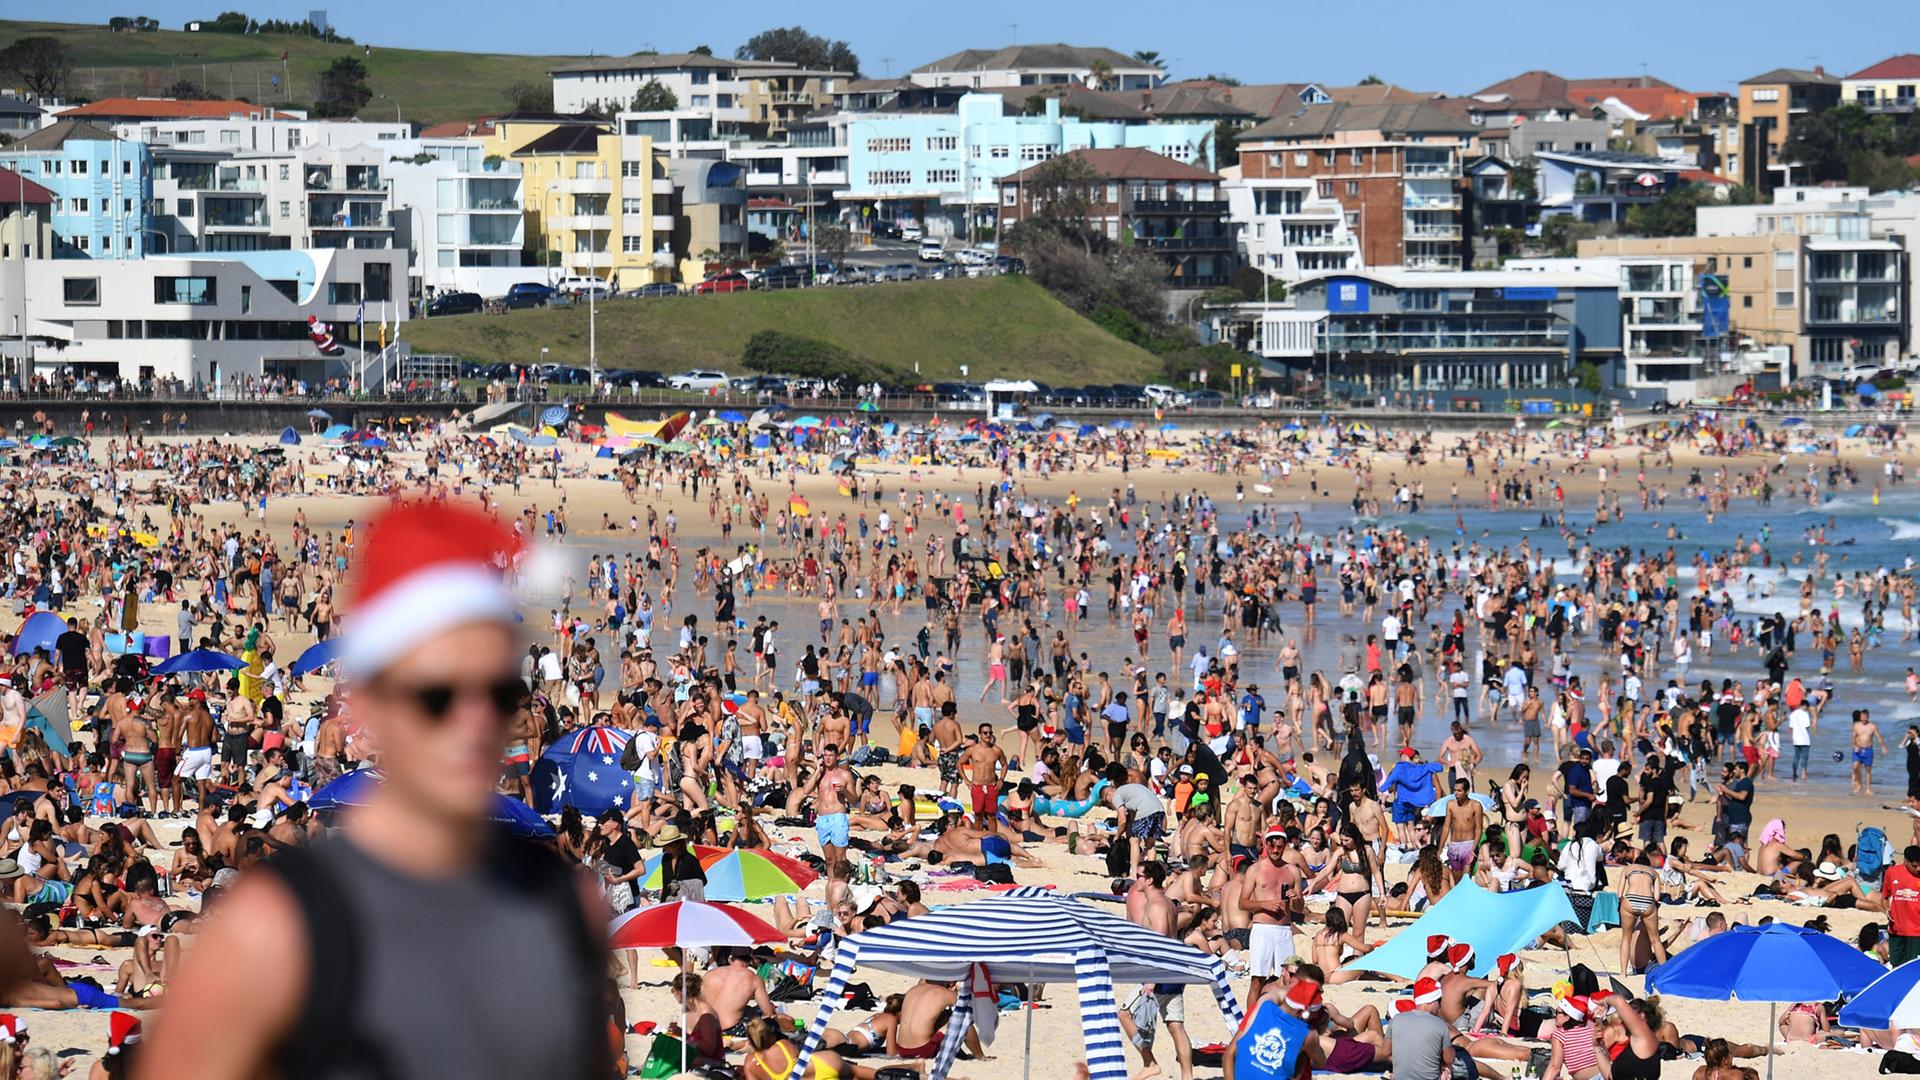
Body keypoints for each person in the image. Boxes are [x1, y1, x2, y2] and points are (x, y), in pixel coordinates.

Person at [137, 501, 612, 1080]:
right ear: (370, 704)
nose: (474, 725)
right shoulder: (278, 928)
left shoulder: (558, 907)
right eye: (437, 697)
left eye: (496, 694)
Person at [1885, 845, 1920, 967]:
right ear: (1905, 862)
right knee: (1896, 965)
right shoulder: (1892, 872)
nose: (1918, 868)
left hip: (1916, 931)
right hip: (1896, 929)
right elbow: (1884, 897)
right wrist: (1886, 909)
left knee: (1914, 967)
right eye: (1915, 866)